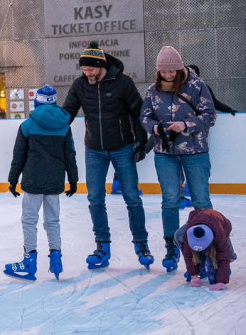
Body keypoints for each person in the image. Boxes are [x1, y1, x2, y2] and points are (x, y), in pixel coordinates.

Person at [62, 41, 152, 271]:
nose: (87, 73)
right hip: (94, 149)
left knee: (132, 197)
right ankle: (102, 246)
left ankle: (141, 244)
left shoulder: (123, 82)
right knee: (95, 198)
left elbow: (137, 113)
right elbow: (67, 114)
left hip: (122, 147)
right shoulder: (81, 85)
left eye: (90, 69)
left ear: (101, 66)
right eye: (84, 70)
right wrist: (48, 128)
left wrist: (141, 141)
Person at [140, 47, 217, 273]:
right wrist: (153, 127)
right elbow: (144, 115)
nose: (168, 75)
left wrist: (186, 125)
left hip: (195, 152)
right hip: (165, 154)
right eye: (164, 72)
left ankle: (207, 248)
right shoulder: (153, 90)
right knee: (170, 200)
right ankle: (172, 247)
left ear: (180, 68)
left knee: (201, 201)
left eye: (172, 71)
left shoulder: (196, 86)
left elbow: (210, 115)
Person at [4, 85, 79, 281]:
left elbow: (18, 156)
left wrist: (12, 179)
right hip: (54, 182)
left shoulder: (27, 126)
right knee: (52, 221)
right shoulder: (64, 127)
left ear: (36, 102)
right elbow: (70, 155)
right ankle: (56, 259)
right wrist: (73, 180)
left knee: (29, 220)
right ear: (54, 103)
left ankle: (29, 260)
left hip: (33, 181)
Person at [175, 209, 236, 290]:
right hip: (198, 219)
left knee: (226, 254)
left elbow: (223, 254)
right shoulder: (187, 235)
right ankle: (201, 263)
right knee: (178, 235)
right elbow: (188, 255)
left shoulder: (219, 234)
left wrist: (222, 281)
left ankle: (218, 262)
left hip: (221, 225)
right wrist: (194, 276)